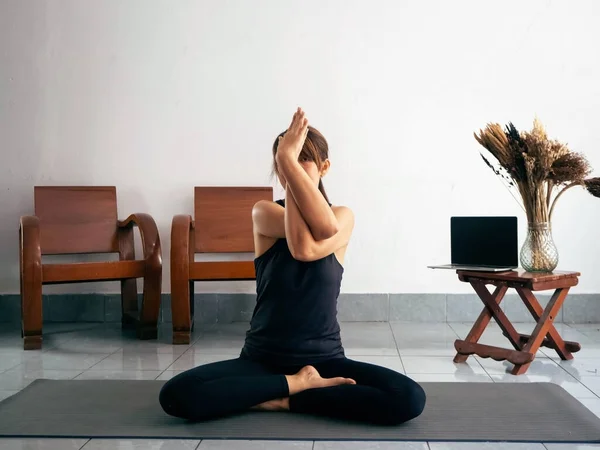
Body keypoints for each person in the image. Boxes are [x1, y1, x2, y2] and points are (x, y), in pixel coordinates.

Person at [159, 108, 426, 425]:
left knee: (409, 397)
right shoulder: (264, 212)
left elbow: (309, 244)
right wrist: (296, 379)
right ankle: (299, 387)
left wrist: (288, 158)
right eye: (286, 163)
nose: (293, 169)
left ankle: (280, 400)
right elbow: (302, 244)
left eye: (303, 160)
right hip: (262, 359)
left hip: (325, 360)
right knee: (176, 395)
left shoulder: (343, 216)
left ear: (324, 167)